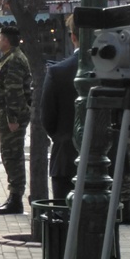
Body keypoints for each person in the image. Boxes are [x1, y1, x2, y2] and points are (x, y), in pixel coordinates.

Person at [0, 26, 32, 215]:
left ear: (6, 40)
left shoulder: (14, 60)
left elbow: (14, 91)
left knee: (12, 156)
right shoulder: (10, 58)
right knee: (9, 155)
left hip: (10, 115)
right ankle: (14, 196)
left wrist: (12, 118)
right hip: (5, 114)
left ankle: (15, 198)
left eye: (0, 38)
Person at [41, 15, 80, 204]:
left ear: (73, 37)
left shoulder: (58, 72)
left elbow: (48, 117)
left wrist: (62, 136)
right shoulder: (114, 73)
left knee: (64, 217)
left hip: (66, 156)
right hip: (109, 163)